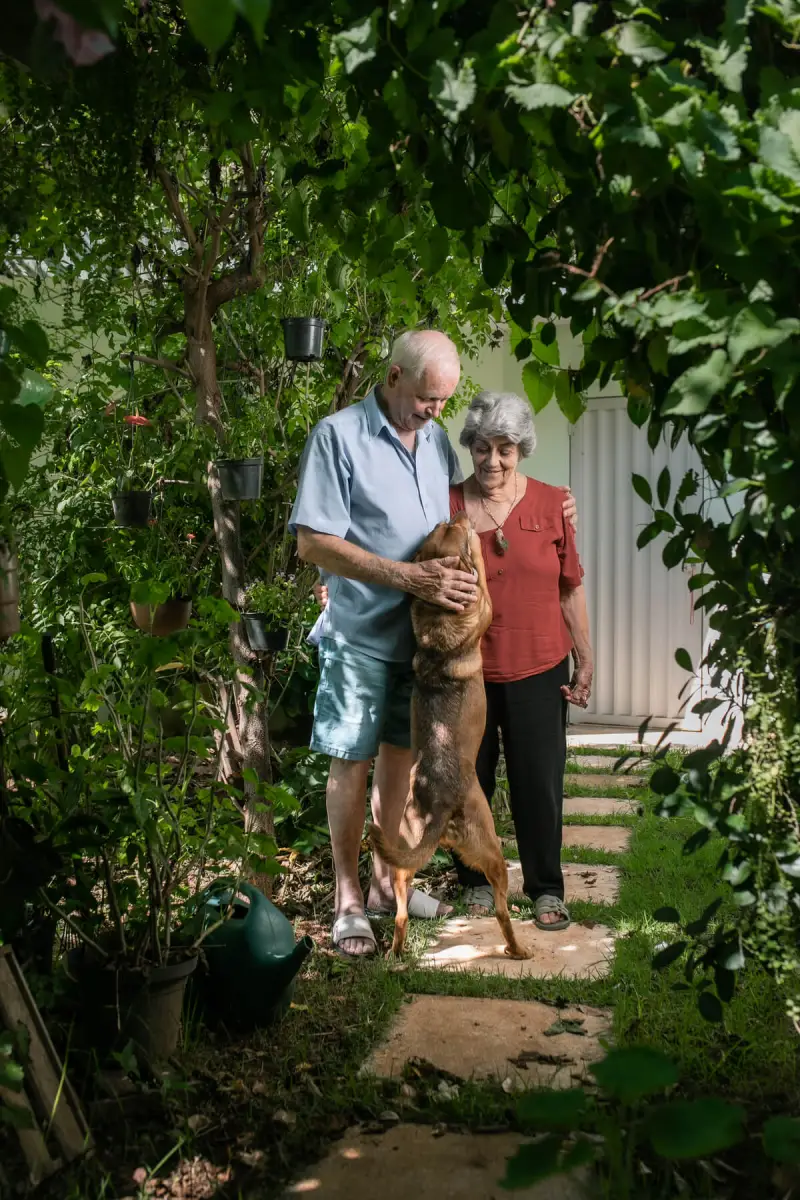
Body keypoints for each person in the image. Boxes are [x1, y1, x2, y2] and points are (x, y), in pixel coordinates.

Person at [290, 331, 577, 958]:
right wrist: (404, 577)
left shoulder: (436, 444)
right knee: (352, 762)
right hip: (362, 636)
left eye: (444, 401)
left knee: (398, 764)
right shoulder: (337, 437)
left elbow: (467, 508)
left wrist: (555, 506)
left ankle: (382, 886)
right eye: (427, 398)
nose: (435, 411)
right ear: (393, 376)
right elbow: (311, 541)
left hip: (423, 650)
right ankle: (345, 901)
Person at [449, 390, 593, 930]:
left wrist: (586, 658)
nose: (492, 461)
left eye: (504, 449)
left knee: (539, 783)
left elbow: (570, 587)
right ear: (470, 447)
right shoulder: (449, 504)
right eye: (482, 448)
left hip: (541, 664)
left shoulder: (555, 502)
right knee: (469, 782)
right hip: (467, 672)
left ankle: (546, 888)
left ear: (522, 449)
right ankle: (478, 883)